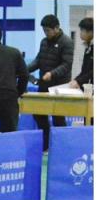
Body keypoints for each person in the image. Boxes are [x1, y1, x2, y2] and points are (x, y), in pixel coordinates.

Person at [28, 14, 75, 150]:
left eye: (48, 30)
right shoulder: (44, 42)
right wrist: (25, 69)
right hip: (44, 85)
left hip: (60, 87)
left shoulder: (67, 42)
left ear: (56, 28)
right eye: (44, 30)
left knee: (58, 117)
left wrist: (52, 73)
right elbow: (39, 60)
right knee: (38, 113)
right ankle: (46, 143)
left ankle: (62, 147)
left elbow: (67, 65)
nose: (46, 33)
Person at [68, 17, 93, 90]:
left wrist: (78, 81)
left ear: (90, 32)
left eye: (82, 30)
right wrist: (75, 80)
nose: (80, 33)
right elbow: (85, 71)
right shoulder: (88, 47)